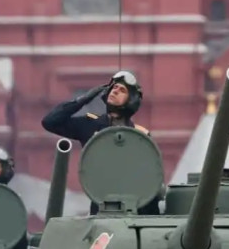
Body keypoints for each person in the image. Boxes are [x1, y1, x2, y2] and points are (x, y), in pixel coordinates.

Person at [41, 70, 159, 215]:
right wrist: (83, 99)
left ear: (132, 99)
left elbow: (149, 177)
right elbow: (50, 122)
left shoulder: (140, 135)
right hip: (101, 205)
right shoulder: (90, 124)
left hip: (135, 206)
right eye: (113, 88)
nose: (115, 91)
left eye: (122, 90)